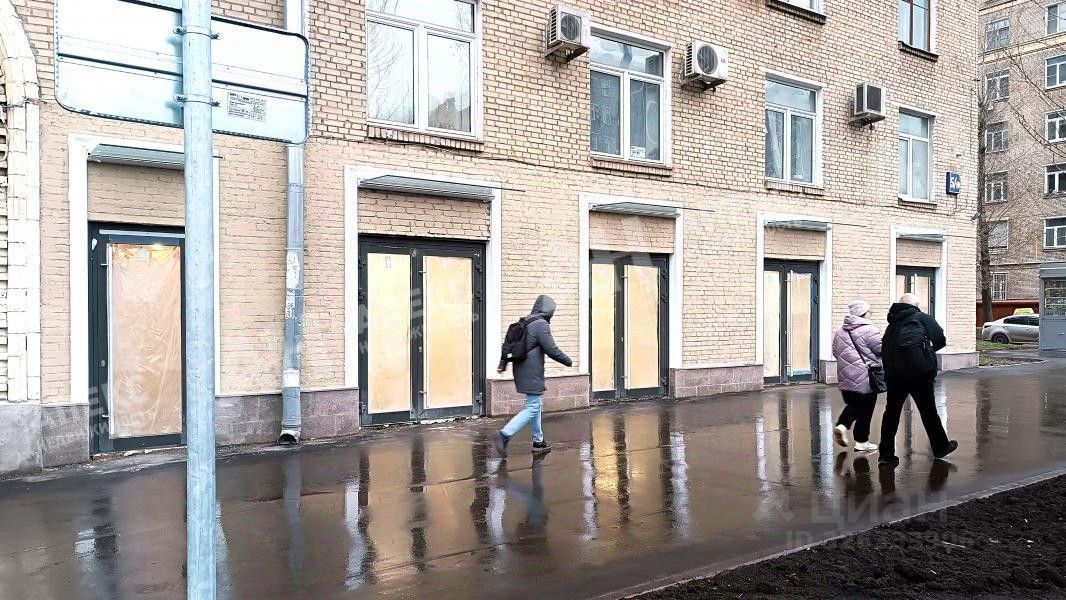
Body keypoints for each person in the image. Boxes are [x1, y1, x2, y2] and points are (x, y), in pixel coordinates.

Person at [877, 293, 958, 467]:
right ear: (916, 305)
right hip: (919, 374)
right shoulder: (922, 318)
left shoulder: (892, 323)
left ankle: (886, 455)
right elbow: (940, 340)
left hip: (894, 375)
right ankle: (941, 447)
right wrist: (924, 353)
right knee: (928, 411)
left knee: (891, 414)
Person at [494, 295, 572, 457]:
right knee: (533, 407)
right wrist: (568, 361)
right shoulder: (540, 325)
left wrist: (503, 364)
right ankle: (505, 434)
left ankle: (538, 441)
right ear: (548, 311)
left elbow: (507, 344)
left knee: (535, 405)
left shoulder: (526, 321)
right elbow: (551, 349)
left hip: (522, 369)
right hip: (531, 372)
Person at [831, 300, 883, 453]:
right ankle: (860, 440)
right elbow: (880, 350)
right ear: (863, 313)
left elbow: (835, 352)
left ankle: (844, 426)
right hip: (866, 375)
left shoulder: (840, 331)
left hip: (845, 375)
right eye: (869, 311)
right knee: (866, 408)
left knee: (854, 404)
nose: (871, 313)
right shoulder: (870, 330)